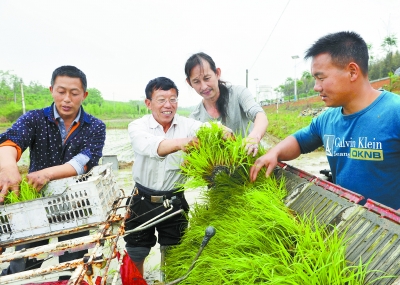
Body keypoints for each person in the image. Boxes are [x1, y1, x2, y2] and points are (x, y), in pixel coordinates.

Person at [250, 31, 400, 210]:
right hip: (346, 223)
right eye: (315, 79)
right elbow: (298, 141)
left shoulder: (394, 112)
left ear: (352, 72)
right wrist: (273, 153)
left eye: (321, 78)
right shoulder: (327, 120)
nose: (316, 87)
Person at [0, 65, 106, 277]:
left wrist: (47, 174)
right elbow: (11, 142)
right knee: (23, 264)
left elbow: (83, 162)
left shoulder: (95, 126)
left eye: (74, 93)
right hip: (34, 205)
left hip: (76, 204)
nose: (67, 98)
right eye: (61, 91)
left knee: (74, 265)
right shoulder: (35, 119)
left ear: (84, 95)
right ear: (51, 90)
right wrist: (8, 166)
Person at [123, 77, 204, 276]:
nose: (168, 105)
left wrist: (223, 132)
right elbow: (148, 146)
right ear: (148, 103)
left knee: (175, 252)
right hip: (141, 199)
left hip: (174, 199)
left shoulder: (188, 125)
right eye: (161, 100)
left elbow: (210, 130)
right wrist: (181, 143)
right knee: (136, 252)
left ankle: (167, 280)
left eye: (173, 99)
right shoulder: (138, 126)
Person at [185, 52, 269, 156]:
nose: (203, 86)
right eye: (196, 81)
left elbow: (260, 116)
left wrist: (253, 138)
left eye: (207, 78)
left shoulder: (239, 93)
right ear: (189, 83)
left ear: (217, 73)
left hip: (251, 161)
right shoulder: (195, 118)